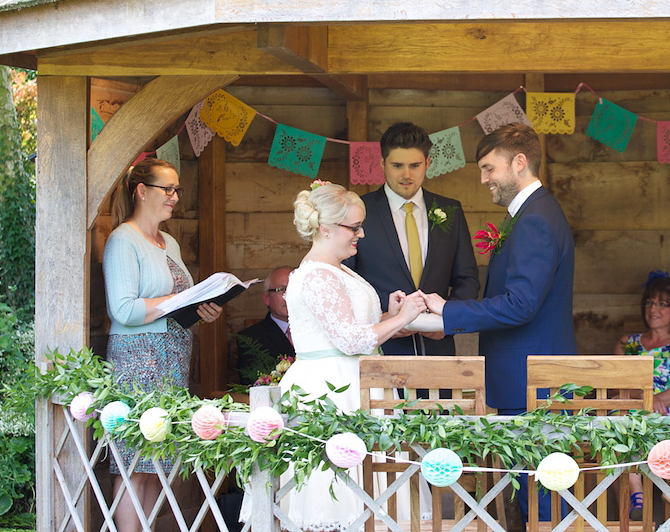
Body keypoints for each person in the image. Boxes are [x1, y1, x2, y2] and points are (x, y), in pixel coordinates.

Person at [241, 182, 427, 532]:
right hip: (332, 391)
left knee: (370, 491)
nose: (361, 233)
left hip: (356, 382)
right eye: (354, 227)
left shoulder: (338, 269)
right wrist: (402, 319)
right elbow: (348, 339)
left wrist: (390, 315)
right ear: (325, 228)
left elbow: (356, 328)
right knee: (338, 489)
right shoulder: (315, 275)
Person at [422, 123, 577, 521]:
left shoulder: (535, 219)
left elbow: (521, 305)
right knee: (532, 491)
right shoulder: (531, 213)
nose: (483, 179)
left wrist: (448, 310)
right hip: (525, 377)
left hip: (532, 381)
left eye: (489, 168)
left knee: (541, 497)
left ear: (519, 162)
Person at [103, 158, 223, 532]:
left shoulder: (167, 240)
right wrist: (176, 302)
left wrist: (200, 309)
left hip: (171, 358)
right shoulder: (123, 239)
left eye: (176, 190)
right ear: (142, 191)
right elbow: (122, 309)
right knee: (135, 463)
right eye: (167, 189)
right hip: (138, 361)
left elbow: (174, 302)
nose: (174, 197)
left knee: (157, 464)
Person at [344, 122, 479, 357]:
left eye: (415, 165)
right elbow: (345, 282)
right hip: (382, 350)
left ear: (427, 163)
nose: (406, 174)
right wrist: (383, 322)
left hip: (439, 349)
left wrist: (448, 322)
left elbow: (467, 279)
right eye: (397, 165)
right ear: (382, 164)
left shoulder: (451, 210)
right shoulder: (360, 211)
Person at [615, 273, 670, 520]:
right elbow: (614, 384)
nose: (653, 308)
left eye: (662, 304)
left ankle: (637, 491)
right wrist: (642, 403)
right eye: (650, 302)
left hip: (666, 415)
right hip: (628, 412)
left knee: (642, 426)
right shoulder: (626, 343)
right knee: (621, 426)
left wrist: (651, 402)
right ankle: (636, 493)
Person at [235, 266, 296, 385]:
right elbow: (252, 383)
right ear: (267, 299)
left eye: (294, 289)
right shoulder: (250, 338)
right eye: (281, 289)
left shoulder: (319, 331)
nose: (288, 296)